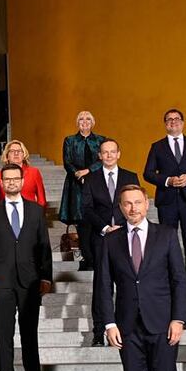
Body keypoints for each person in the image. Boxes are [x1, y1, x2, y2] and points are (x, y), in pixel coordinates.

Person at [95, 185, 186, 371]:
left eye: (137, 202)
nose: (133, 208)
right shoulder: (111, 240)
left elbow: (179, 280)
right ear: (121, 207)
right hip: (128, 329)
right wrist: (109, 323)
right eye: (127, 204)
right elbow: (103, 285)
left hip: (162, 326)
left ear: (147, 204)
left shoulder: (167, 235)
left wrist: (178, 319)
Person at [0, 164, 53, 371]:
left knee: (29, 334)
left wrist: (46, 276)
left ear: (22, 181)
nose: (11, 182)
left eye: (15, 178)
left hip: (30, 280)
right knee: (4, 335)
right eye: (7, 179)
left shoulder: (36, 210)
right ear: (1, 183)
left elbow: (44, 246)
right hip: (1, 280)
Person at [144, 108, 186, 301]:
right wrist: (168, 180)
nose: (173, 122)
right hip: (167, 201)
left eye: (176, 119)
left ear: (183, 122)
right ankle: (171, 288)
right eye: (169, 119)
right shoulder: (157, 146)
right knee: (167, 244)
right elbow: (148, 173)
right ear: (165, 124)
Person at [81, 139, 139, 346]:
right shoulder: (91, 179)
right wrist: (106, 228)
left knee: (130, 282)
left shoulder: (130, 177)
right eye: (105, 152)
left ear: (118, 154)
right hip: (102, 238)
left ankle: (129, 328)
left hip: (127, 236)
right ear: (99, 156)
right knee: (101, 286)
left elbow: (136, 206)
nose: (109, 155)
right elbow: (86, 209)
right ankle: (99, 332)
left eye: (112, 151)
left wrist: (123, 228)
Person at [59, 111, 105, 271]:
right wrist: (79, 176)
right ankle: (88, 258)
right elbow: (67, 162)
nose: (84, 122)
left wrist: (88, 172)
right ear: (77, 123)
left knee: (96, 221)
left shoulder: (101, 140)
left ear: (93, 123)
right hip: (76, 185)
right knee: (82, 222)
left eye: (88, 119)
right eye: (81, 119)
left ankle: (96, 258)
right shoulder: (69, 140)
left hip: (96, 183)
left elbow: (103, 160)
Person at [0, 139, 47, 207]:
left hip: (30, 212)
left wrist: (37, 213)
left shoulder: (34, 173)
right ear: (7, 156)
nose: (16, 153)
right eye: (12, 151)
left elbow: (42, 200)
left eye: (19, 151)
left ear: (24, 155)